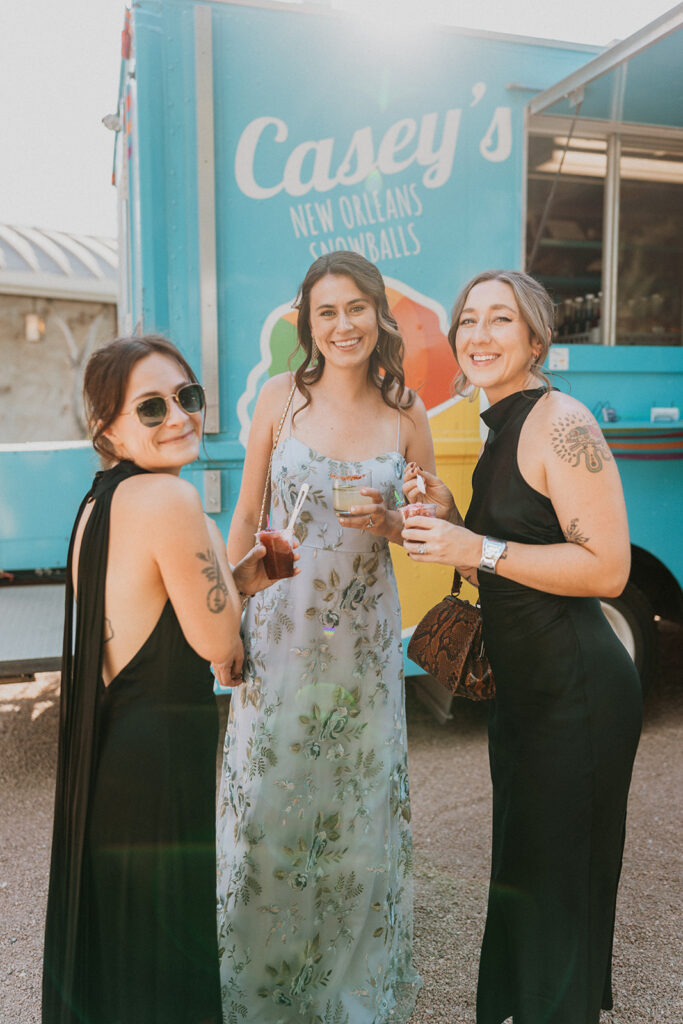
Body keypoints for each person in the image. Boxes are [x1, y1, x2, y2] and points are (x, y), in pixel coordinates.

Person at [402, 270, 642, 1024]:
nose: (477, 334)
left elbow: (607, 567)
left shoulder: (559, 419)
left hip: (577, 691)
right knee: (528, 870)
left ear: (535, 338)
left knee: (560, 876)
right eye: (466, 320)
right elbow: (520, 528)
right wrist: (446, 517)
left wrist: (477, 547)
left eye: (499, 320)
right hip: (526, 690)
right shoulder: (501, 423)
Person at [42, 335, 285, 1024]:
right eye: (151, 407)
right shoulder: (167, 500)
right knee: (162, 944)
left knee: (127, 938)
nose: (178, 416)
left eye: (188, 397)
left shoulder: (101, 501)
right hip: (157, 755)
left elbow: (160, 609)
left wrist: (240, 581)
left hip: (116, 746)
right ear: (106, 426)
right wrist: (231, 590)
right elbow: (216, 645)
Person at [217, 252, 433, 1022]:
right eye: (325, 312)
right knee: (270, 801)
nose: (342, 324)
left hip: (365, 645)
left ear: (378, 313)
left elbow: (426, 528)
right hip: (280, 630)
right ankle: (261, 988)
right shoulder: (281, 398)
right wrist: (225, 619)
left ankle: (347, 993)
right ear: (307, 326)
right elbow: (244, 517)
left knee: (355, 808)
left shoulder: (407, 409)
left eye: (355, 308)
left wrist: (400, 521)